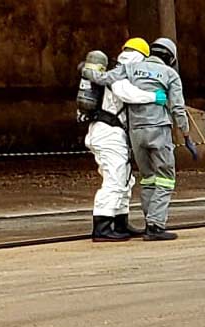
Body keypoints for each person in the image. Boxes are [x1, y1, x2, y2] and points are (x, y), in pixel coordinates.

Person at [85, 37, 195, 241]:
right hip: (149, 131)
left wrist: (85, 70)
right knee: (157, 179)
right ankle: (149, 225)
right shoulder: (166, 73)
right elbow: (175, 107)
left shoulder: (126, 70)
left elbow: (101, 79)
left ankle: (121, 223)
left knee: (138, 178)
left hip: (133, 133)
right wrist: (186, 134)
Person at [83, 38, 164, 242]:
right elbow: (127, 94)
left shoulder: (119, 71)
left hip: (111, 133)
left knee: (125, 178)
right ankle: (102, 227)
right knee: (114, 178)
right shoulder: (119, 75)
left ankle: (119, 222)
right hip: (108, 132)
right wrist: (154, 97)